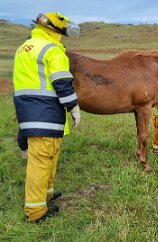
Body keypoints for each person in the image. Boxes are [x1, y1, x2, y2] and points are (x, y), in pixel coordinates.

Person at [13, 12, 81, 222]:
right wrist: (74, 107)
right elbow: (61, 83)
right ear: (55, 30)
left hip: (29, 111)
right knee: (41, 162)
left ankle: (46, 195)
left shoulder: (24, 48)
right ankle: (35, 212)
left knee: (48, 156)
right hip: (45, 113)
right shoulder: (52, 50)